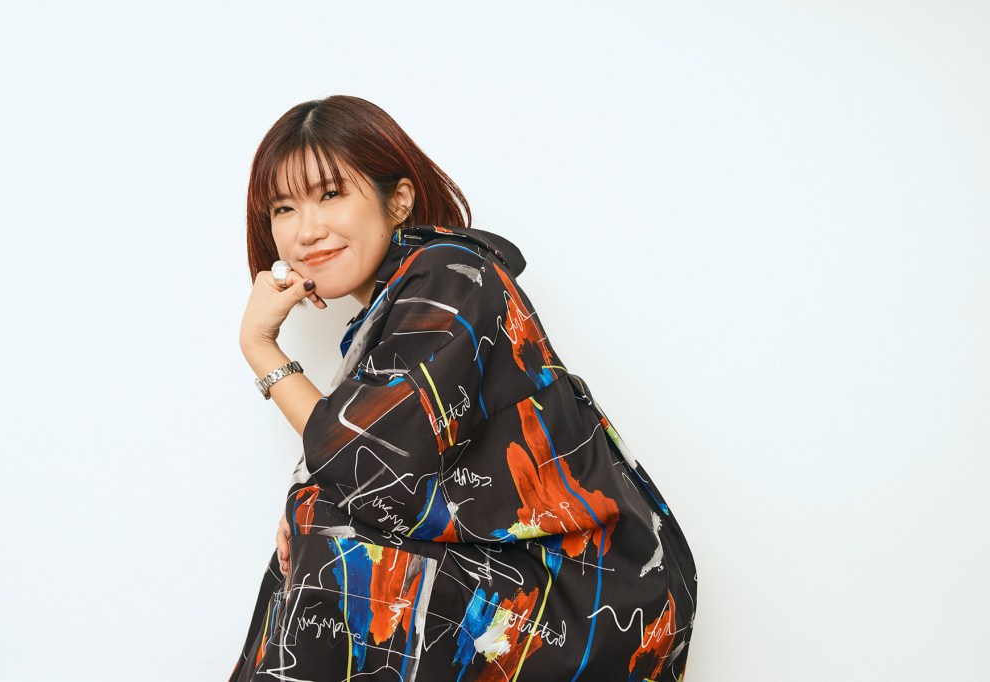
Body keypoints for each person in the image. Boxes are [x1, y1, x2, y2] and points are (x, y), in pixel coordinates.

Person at [229, 95, 697, 682]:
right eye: (283, 208)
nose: (307, 230)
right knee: (319, 518)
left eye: (330, 194)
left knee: (330, 537)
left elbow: (365, 462)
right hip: (529, 584)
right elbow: (385, 473)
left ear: (398, 200)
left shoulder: (450, 277)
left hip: (584, 596)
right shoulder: (400, 301)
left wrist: (262, 348)